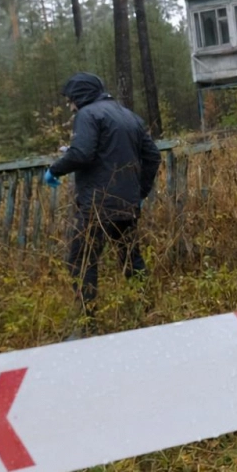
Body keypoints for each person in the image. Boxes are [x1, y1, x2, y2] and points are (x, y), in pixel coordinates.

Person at [43, 72, 161, 324]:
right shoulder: (129, 115)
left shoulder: (87, 115)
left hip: (96, 205)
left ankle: (88, 321)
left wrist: (55, 169)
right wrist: (139, 193)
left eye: (70, 99)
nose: (69, 105)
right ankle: (148, 309)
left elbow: (83, 154)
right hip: (127, 205)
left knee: (81, 259)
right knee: (131, 257)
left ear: (81, 95)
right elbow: (152, 156)